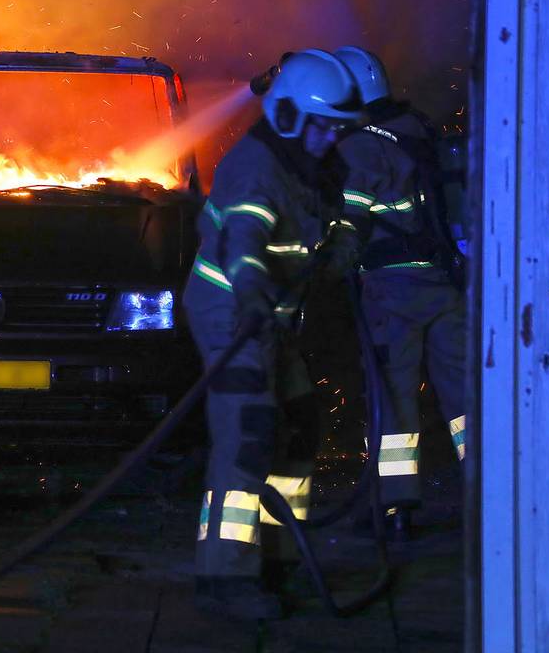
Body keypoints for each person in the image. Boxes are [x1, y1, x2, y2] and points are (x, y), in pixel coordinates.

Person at [186, 49, 363, 619]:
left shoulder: (309, 164)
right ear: (288, 115)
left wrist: (341, 248)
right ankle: (225, 576)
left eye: (339, 128)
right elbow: (244, 244)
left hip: (275, 317)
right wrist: (255, 294)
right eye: (325, 126)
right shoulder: (255, 166)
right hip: (234, 317)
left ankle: (284, 556)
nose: (332, 138)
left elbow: (331, 224)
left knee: (298, 426)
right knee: (248, 434)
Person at [328, 46, 467, 539]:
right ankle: (491, 494)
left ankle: (395, 506)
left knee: (394, 399)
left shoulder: (360, 145)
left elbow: (353, 217)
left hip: (393, 290)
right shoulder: (416, 128)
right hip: (444, 282)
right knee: (465, 400)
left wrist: (327, 259)